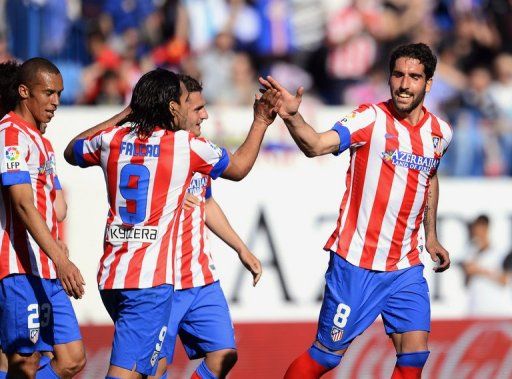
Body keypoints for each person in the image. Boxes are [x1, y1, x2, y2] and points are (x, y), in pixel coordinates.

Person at [63, 68, 280, 379]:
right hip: (149, 282)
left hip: (112, 275)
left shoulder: (110, 139)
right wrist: (260, 121)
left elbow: (72, 150)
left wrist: (127, 113)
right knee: (135, 373)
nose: (201, 114)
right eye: (184, 100)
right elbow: (240, 166)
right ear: (173, 108)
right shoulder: (185, 147)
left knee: (149, 368)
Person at [260, 43, 452, 378]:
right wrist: (291, 116)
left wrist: (430, 236)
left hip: (404, 265)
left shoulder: (440, 133)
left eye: (415, 77)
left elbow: (429, 177)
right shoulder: (370, 118)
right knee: (326, 358)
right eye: (398, 75)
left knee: (414, 356)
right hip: (355, 264)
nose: (405, 84)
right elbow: (316, 145)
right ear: (389, 78)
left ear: (429, 83)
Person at [158, 74, 262, 379]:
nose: (205, 114)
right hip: (161, 280)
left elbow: (205, 203)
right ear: (174, 109)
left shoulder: (199, 148)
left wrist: (241, 248)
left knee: (224, 354)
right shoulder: (154, 149)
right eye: (198, 108)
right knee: (153, 368)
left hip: (199, 276)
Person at [0, 58, 86, 378]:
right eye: (48, 93)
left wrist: (57, 249)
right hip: (18, 266)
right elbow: (22, 204)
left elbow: (58, 208)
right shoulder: (9, 134)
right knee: (24, 362)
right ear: (24, 91)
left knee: (72, 358)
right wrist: (62, 261)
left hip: (46, 266)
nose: (56, 102)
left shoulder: (42, 141)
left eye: (59, 94)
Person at [461, 215, 512, 316]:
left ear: (486, 228)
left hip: (495, 310)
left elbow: (504, 280)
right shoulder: (471, 252)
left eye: (480, 228)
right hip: (475, 309)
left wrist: (479, 270)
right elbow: (466, 283)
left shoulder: (500, 253)